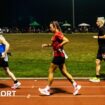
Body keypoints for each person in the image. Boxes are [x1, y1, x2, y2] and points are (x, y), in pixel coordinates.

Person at [38, 21, 81, 95]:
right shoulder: (56, 34)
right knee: (64, 72)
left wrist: (60, 45)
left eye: (51, 27)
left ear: (55, 27)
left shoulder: (58, 33)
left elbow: (66, 40)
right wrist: (47, 45)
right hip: (60, 56)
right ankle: (76, 85)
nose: (50, 28)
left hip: (58, 56)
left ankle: (47, 89)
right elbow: (53, 44)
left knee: (51, 71)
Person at [89, 17, 105, 82]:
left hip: (104, 48)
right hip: (101, 48)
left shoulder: (102, 28)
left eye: (97, 21)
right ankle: (97, 77)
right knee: (97, 61)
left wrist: (97, 37)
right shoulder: (101, 28)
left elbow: (104, 36)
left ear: (101, 22)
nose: (96, 22)